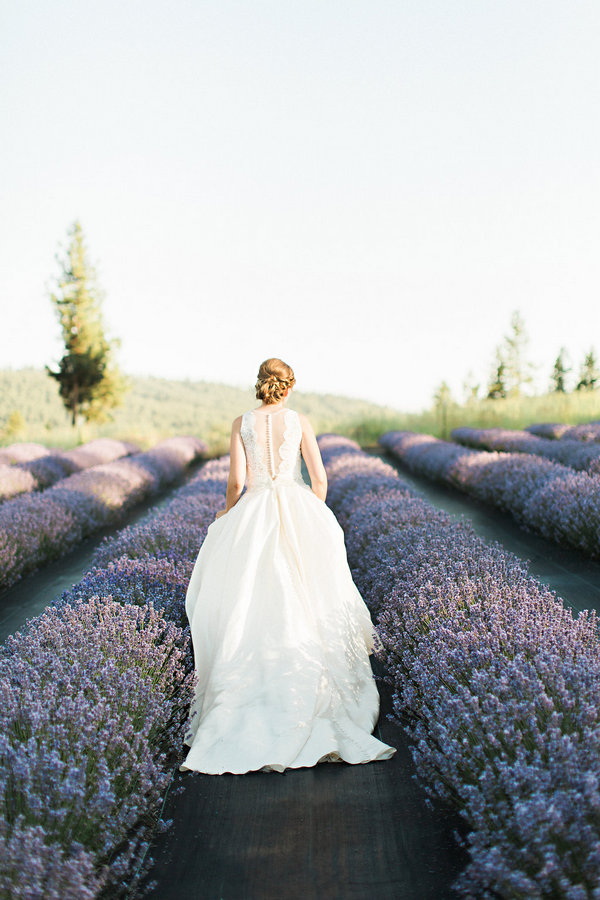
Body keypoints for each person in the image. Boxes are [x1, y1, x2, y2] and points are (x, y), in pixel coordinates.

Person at [179, 358, 396, 774]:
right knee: (309, 599)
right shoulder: (299, 421)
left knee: (251, 603)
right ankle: (312, 693)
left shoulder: (240, 422)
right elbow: (320, 479)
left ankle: (250, 699)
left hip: (255, 514)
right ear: (288, 386)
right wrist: (312, 517)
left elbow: (236, 484)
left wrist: (227, 516)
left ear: (259, 385)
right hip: (298, 509)